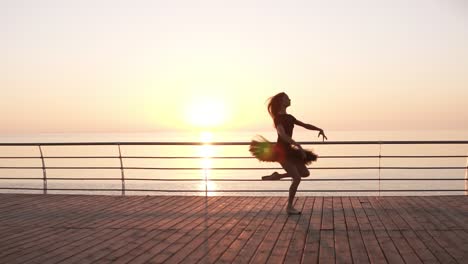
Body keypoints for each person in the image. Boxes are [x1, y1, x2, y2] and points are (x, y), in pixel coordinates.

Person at [249, 92, 327, 215]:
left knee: (305, 173)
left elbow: (305, 125)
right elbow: (282, 134)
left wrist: (319, 129)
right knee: (296, 178)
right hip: (281, 152)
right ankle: (289, 207)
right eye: (287, 98)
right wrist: (296, 144)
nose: (290, 99)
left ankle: (277, 176)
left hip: (290, 151)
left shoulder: (290, 117)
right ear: (281, 102)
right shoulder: (278, 118)